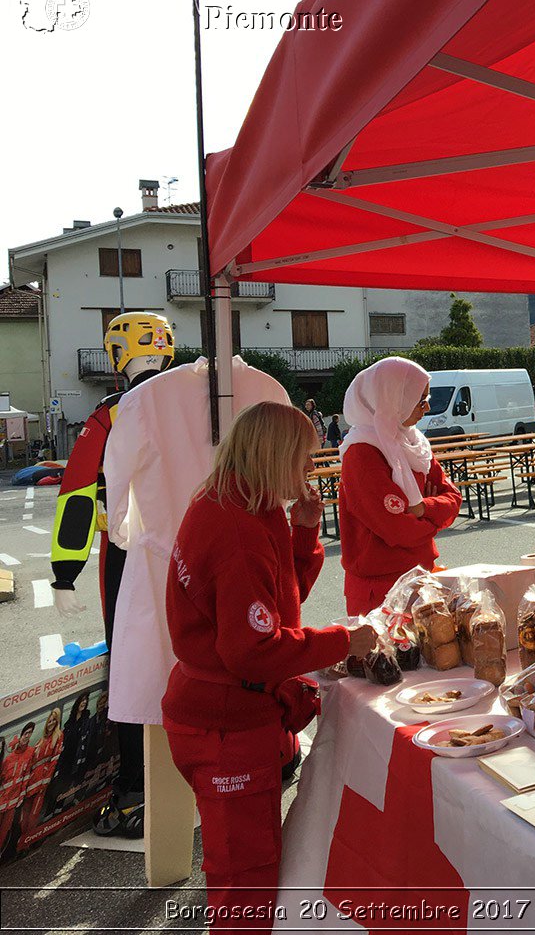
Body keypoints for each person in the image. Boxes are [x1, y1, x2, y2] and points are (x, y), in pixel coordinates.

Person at [161, 401, 375, 930]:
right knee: (245, 879)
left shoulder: (238, 503)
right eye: (305, 457)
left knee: (247, 868)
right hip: (225, 723)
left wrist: (303, 533)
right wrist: (344, 641)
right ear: (276, 454)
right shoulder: (237, 528)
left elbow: (272, 611)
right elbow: (252, 649)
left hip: (220, 711)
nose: (311, 468)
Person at [50, 311, 174, 838]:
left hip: (129, 555)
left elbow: (77, 496)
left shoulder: (111, 414)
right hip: (199, 546)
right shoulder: (206, 397)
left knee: (131, 665)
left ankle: (136, 793)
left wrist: (63, 574)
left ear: (117, 354)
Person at [338, 358, 462, 616]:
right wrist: (432, 517)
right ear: (393, 398)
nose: (427, 408)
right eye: (421, 400)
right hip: (379, 591)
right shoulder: (361, 451)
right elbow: (396, 529)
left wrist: (420, 508)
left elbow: (454, 498)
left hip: (421, 576)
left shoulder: (416, 443)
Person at [20, 710, 62, 837]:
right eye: (49, 720)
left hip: (42, 780)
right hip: (32, 780)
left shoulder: (58, 736)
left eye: (54, 720)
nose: (51, 723)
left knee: (34, 812)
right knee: (25, 812)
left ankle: (28, 839)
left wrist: (46, 779)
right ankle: (24, 838)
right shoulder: (41, 740)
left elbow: (54, 759)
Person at [0, 725, 37, 857]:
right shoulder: (8, 759)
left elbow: (26, 775)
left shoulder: (31, 752)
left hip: (14, 800)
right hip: (2, 799)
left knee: (5, 830)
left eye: (30, 733)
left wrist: (21, 796)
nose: (27, 736)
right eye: (25, 733)